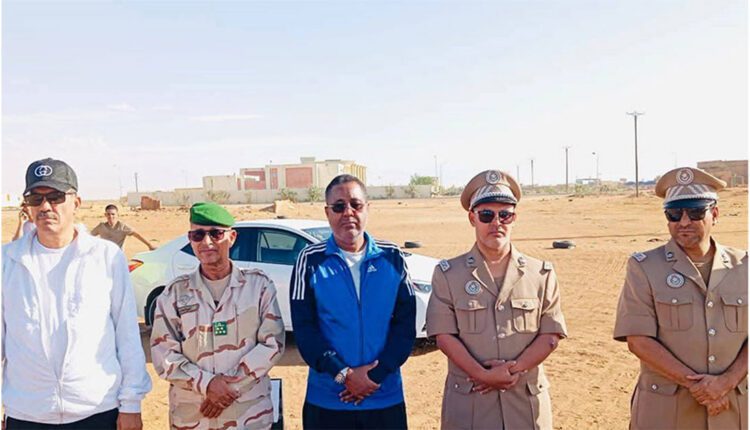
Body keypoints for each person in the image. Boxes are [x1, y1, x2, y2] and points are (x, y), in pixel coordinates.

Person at [2, 158, 151, 429]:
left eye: (55, 197)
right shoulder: (7, 262)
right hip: (27, 413)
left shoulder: (105, 257)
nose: (45, 207)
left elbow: (127, 335)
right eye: (36, 198)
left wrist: (131, 403)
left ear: (76, 202)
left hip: (97, 410)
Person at [426, 169, 568, 430]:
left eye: (505, 215)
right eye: (486, 215)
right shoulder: (448, 274)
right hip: (470, 406)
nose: (497, 223)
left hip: (525, 406)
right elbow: (444, 336)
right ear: (472, 218)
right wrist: (482, 374)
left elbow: (551, 335)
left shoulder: (541, 273)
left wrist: (514, 370)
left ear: (515, 218)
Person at [614, 167, 747, 429]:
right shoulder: (645, 267)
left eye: (695, 212)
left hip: (733, 408)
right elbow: (638, 340)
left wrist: (726, 382)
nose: (684, 222)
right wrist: (700, 388)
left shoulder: (744, 266)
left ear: (715, 214)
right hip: (667, 411)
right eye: (674, 214)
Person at [290, 174, 416, 429]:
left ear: (367, 208)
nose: (348, 212)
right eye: (338, 206)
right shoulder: (309, 260)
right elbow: (305, 330)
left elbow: (405, 326)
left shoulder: (392, 257)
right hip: (328, 400)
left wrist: (374, 376)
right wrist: (343, 374)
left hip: (384, 397)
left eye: (355, 205)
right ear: (327, 212)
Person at [150, 202, 285, 429]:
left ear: (232, 237)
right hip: (194, 417)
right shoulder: (174, 294)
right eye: (198, 235)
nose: (206, 242)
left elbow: (273, 344)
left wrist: (230, 387)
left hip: (248, 416)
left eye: (215, 233)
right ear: (190, 239)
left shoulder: (258, 287)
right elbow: (163, 353)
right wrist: (207, 384)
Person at [91, 204, 156, 250]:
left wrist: (150, 245)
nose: (110, 216)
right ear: (105, 215)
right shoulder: (101, 227)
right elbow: (89, 236)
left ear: (117, 215)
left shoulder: (122, 226)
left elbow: (137, 235)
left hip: (118, 256)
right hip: (105, 257)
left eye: (113, 214)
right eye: (108, 214)